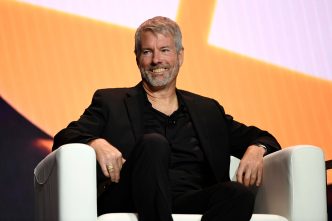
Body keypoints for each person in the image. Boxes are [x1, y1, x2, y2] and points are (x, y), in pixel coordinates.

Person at [52, 16, 281, 221]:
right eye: (147, 51)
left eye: (164, 50)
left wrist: (257, 148)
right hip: (131, 197)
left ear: (180, 56)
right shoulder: (110, 101)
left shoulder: (207, 109)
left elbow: (263, 137)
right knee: (153, 144)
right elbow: (64, 137)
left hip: (189, 200)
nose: (156, 60)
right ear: (137, 58)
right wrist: (95, 142)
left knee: (237, 194)